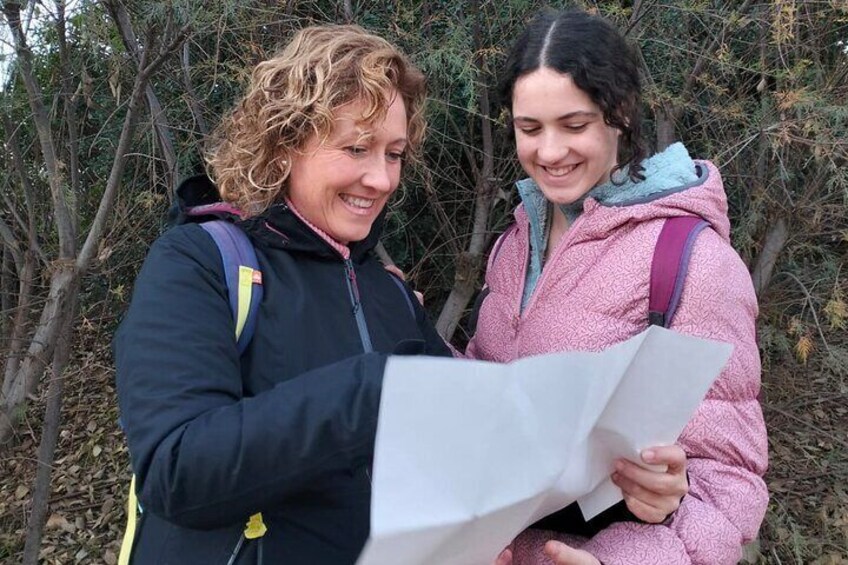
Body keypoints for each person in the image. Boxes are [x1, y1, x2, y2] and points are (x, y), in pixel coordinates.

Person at [113, 25, 450, 564]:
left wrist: (609, 492)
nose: (383, 179)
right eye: (357, 148)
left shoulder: (390, 291)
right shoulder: (199, 263)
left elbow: (468, 441)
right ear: (285, 142)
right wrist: (370, 390)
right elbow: (177, 471)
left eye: (394, 153)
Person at [470, 9, 768, 565]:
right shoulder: (516, 242)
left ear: (620, 114)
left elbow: (728, 486)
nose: (550, 151)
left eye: (575, 125)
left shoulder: (691, 261)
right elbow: (488, 396)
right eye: (529, 129)